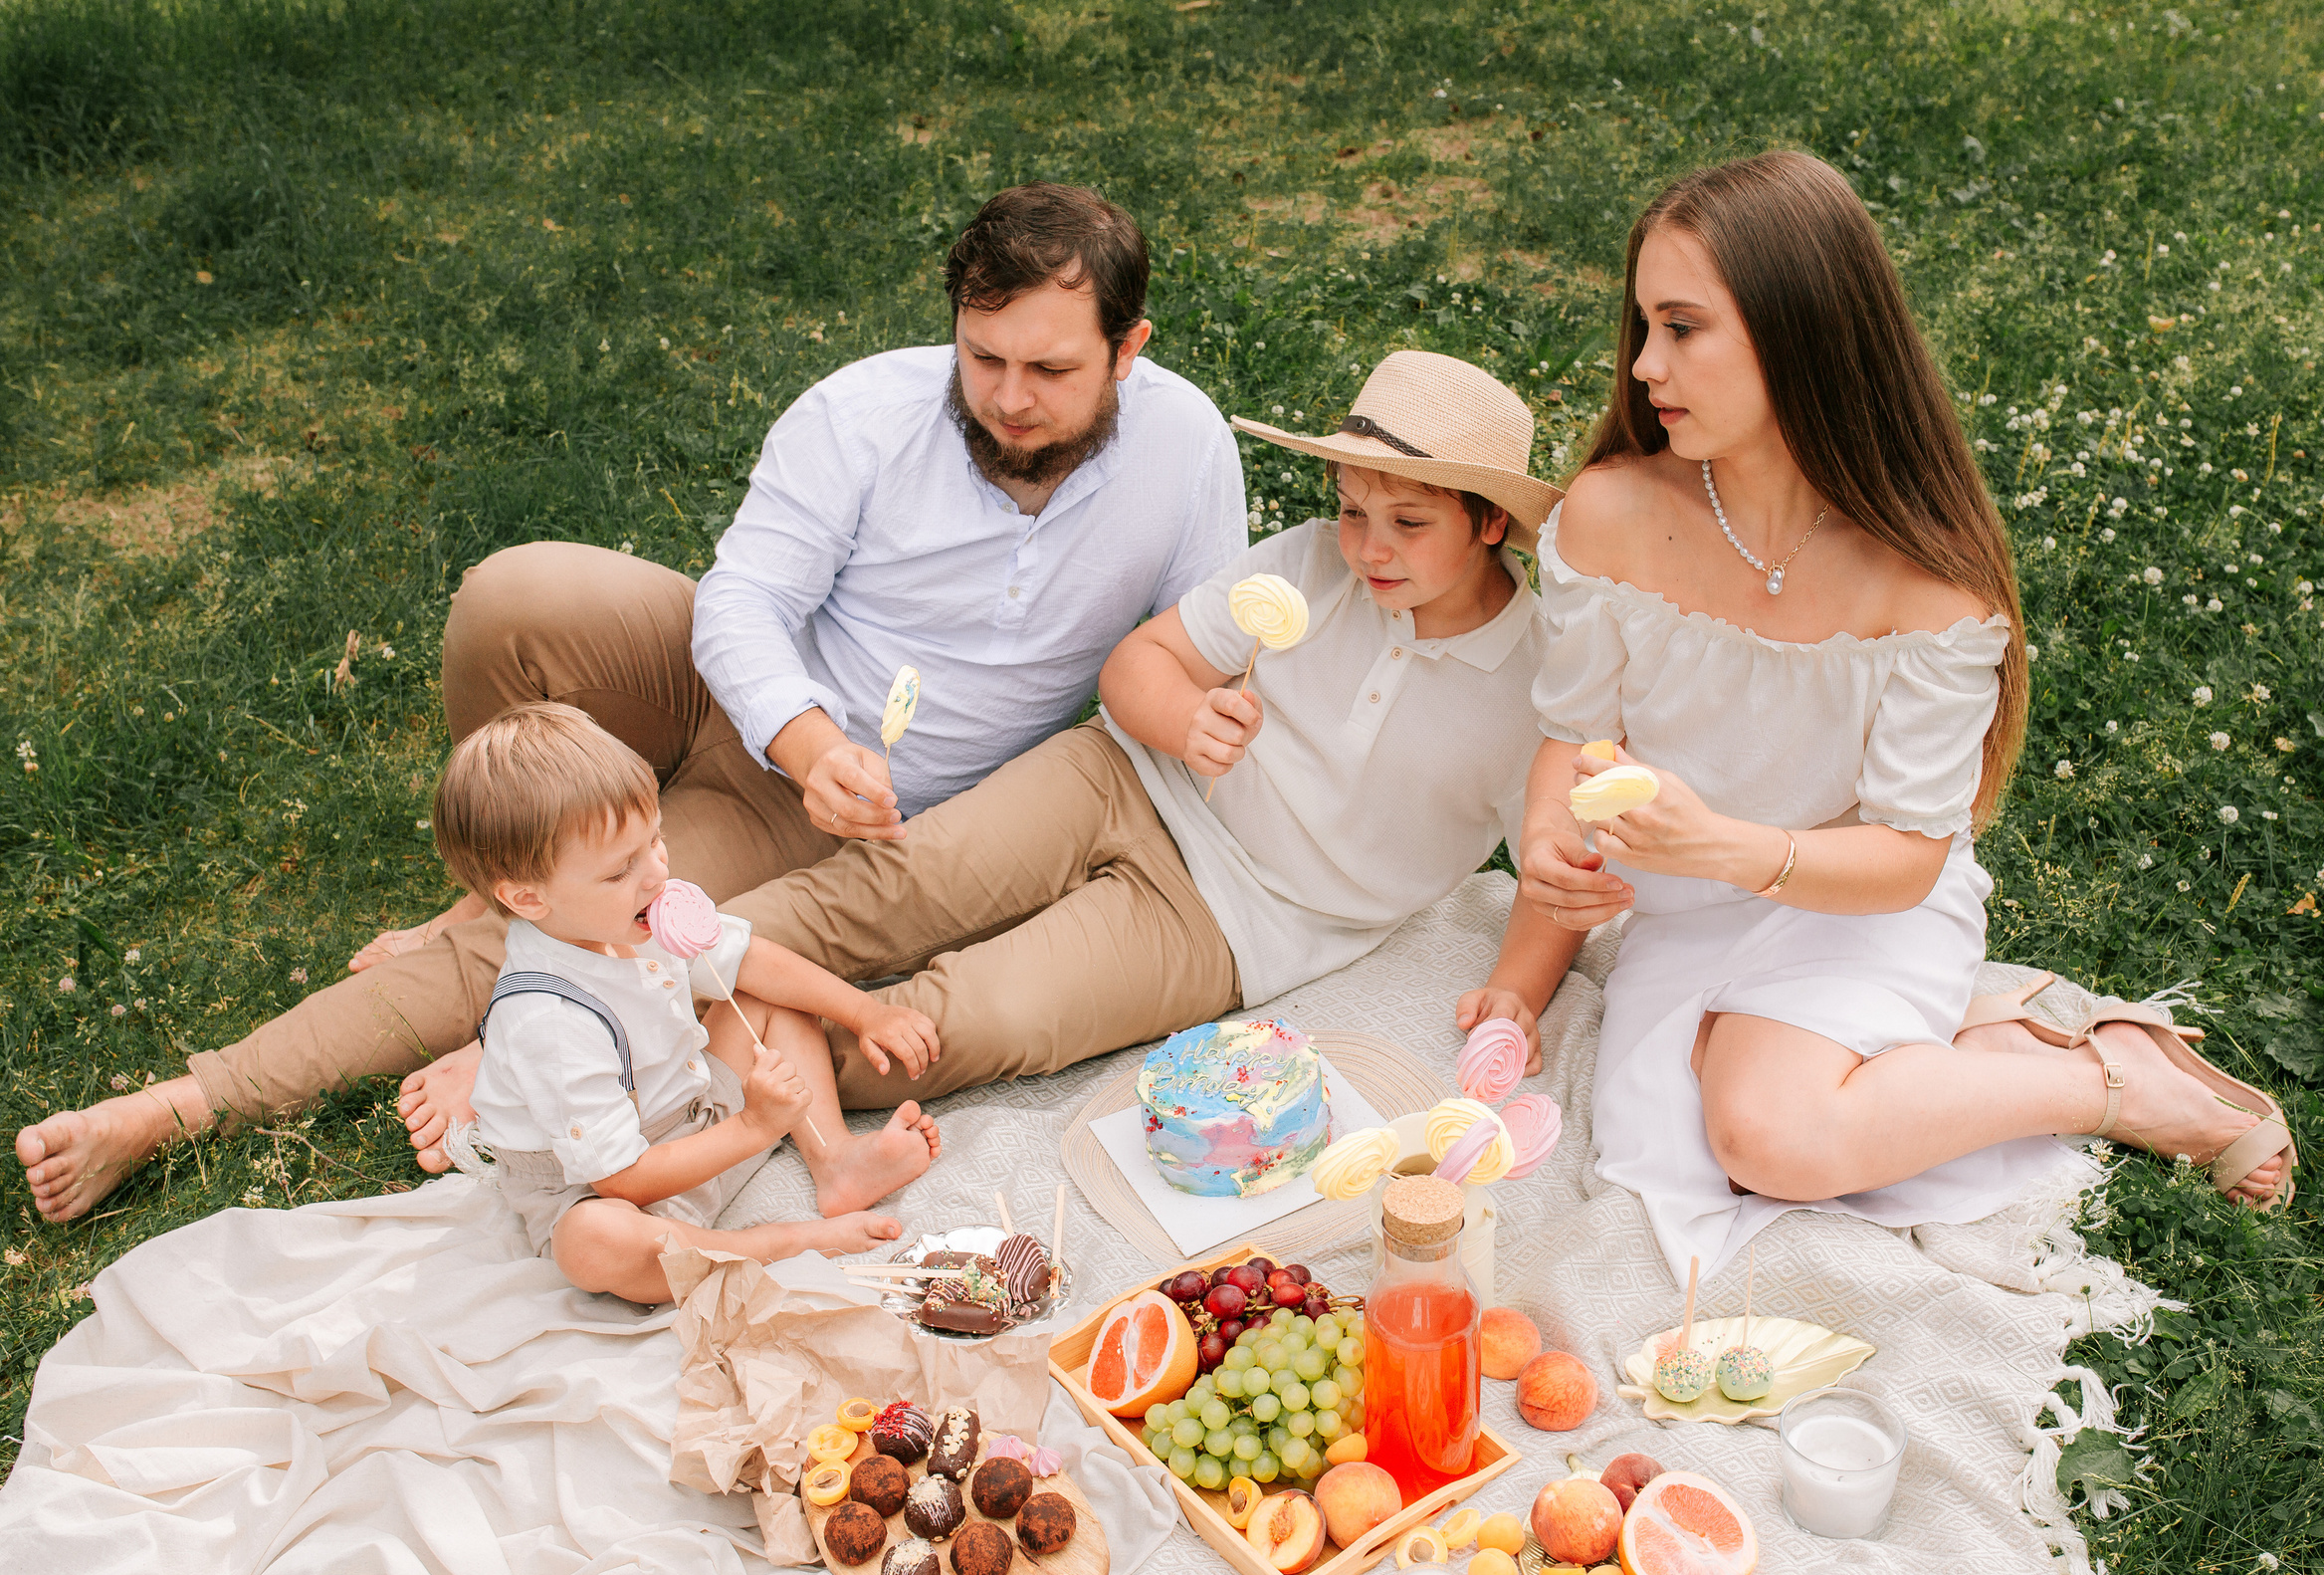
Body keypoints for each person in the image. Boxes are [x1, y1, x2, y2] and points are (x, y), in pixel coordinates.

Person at [18, 181, 1241, 1224]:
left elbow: (1197, 644)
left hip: (832, 818)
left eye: (1050, 370)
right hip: (751, 708)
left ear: (1129, 349)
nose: (1009, 397)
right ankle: (503, 872)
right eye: (984, 358)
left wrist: (1198, 709)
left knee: (573, 924)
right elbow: (742, 600)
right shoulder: (867, 412)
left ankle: (188, 1101)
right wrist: (807, 737)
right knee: (521, 596)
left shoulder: (1186, 453)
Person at [395, 349, 1585, 1139]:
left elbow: (1556, 865)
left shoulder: (1539, 684)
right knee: (869, 896)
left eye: (1408, 523)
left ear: (1490, 525)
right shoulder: (1306, 567)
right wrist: (1185, 718)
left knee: (966, 1022)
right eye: (1352, 509)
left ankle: (647, 1087)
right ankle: (538, 1035)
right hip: (1118, 778)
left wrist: (1518, 993)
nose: (1366, 545)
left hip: (1239, 921)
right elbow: (1139, 668)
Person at [1519, 152, 2296, 1278]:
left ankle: (2112, 1080)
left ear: (1802, 332)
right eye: (1643, 325)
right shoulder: (1610, 513)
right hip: (1685, 904)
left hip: (1861, 905)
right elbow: (1572, 734)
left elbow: (1904, 859)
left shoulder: (1929, 584)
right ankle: (1996, 1025)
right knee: (1674, 1159)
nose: (1644, 365)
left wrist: (1726, 846)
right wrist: (1553, 837)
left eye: (1683, 327)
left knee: (1770, 1137)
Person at [429, 703, 938, 1301]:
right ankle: (780, 1244)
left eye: (655, 840)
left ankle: (836, 1163)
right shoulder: (549, 1021)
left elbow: (749, 961)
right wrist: (754, 1126)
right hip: (607, 1186)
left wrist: (864, 1012)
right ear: (529, 898)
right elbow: (619, 1180)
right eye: (621, 870)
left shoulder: (639, 917)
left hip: (691, 1121)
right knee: (591, 1242)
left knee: (766, 999)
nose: (656, 874)